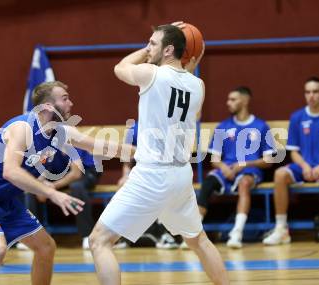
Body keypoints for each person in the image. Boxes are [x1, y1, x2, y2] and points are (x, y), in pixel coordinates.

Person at [89, 22, 229, 285]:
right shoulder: (198, 85)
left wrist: (144, 51)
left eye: (153, 43)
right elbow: (191, 108)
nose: (148, 47)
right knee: (198, 241)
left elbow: (119, 68)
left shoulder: (151, 74)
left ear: (169, 50)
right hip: (180, 175)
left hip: (152, 174)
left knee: (99, 241)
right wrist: (189, 56)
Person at [0, 81, 134, 285]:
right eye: (65, 98)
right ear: (48, 106)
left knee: (46, 247)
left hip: (6, 199)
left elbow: (98, 146)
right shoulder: (23, 128)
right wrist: (52, 193)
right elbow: (11, 171)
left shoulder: (60, 133)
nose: (71, 103)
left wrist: (145, 154)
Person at [263, 77, 319, 245]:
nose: (311, 96)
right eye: (307, 92)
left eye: (315, 91)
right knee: (279, 174)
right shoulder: (297, 117)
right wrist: (305, 165)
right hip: (303, 167)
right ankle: (281, 229)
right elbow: (294, 152)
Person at [194, 86, 276, 248]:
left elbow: (269, 161)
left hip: (250, 171)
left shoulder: (261, 126)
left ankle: (237, 233)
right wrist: (223, 167)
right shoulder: (223, 126)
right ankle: (195, 233)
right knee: (208, 182)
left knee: (244, 184)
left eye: (233, 99)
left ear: (245, 101)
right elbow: (215, 159)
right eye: (228, 99)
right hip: (227, 170)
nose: (228, 103)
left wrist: (243, 164)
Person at [118, 120, 179, 249]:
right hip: (139, 172)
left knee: (161, 187)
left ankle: (162, 233)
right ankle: (124, 235)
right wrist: (125, 176)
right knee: (123, 186)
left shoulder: (168, 127)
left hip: (164, 170)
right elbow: (127, 160)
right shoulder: (134, 128)